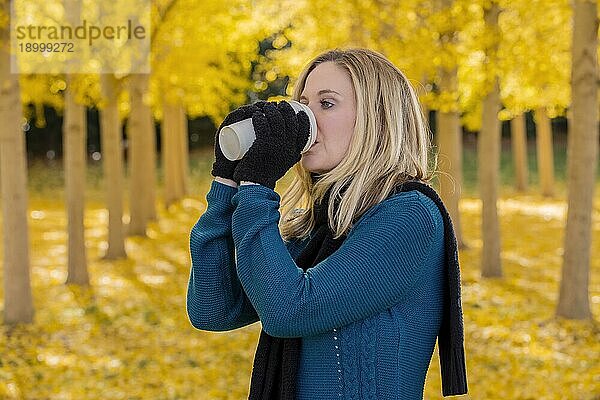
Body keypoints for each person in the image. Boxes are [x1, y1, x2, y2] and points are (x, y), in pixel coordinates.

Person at [187, 48, 467, 399]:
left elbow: (289, 310)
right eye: (303, 103)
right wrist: (227, 182)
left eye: (327, 104)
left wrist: (257, 187)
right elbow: (213, 309)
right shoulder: (321, 225)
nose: (306, 118)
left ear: (376, 118)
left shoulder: (410, 216)